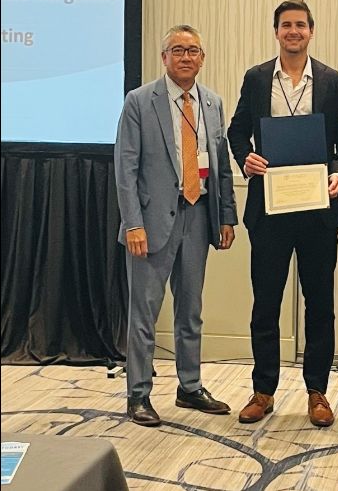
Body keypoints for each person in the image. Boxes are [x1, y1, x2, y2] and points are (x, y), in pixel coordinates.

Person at [227, 0, 338, 428]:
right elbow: (236, 130)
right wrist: (246, 157)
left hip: (318, 208)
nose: (294, 32)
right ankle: (263, 390)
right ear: (276, 31)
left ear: (311, 31)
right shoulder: (257, 77)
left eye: (300, 25)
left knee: (319, 303)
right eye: (286, 25)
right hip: (269, 208)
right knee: (265, 303)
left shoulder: (330, 79)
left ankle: (317, 392)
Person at [115, 24, 237, 427]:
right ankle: (138, 395)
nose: (186, 57)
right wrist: (132, 223)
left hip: (199, 216)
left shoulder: (213, 102)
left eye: (194, 50)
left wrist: (226, 216)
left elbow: (220, 165)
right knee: (144, 313)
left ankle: (190, 386)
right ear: (164, 57)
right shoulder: (139, 101)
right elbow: (125, 167)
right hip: (150, 224)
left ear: (203, 58)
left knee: (191, 309)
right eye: (178, 50)